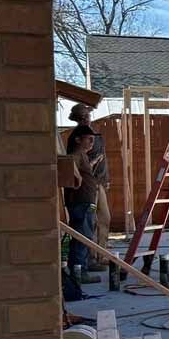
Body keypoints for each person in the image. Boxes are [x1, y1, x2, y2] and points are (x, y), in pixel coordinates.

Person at [69, 102, 110, 269]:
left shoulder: (92, 135)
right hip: (87, 188)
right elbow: (71, 160)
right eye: (83, 117)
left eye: (87, 116)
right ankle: (90, 259)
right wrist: (79, 176)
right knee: (89, 222)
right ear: (78, 119)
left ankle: (101, 255)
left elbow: (101, 160)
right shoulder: (77, 137)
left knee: (104, 218)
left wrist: (105, 179)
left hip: (97, 184)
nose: (86, 119)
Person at [65, 124, 102, 283]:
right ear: (78, 139)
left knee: (84, 236)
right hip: (81, 203)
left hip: (85, 202)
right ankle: (80, 273)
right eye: (89, 139)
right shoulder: (77, 154)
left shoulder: (84, 155)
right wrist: (78, 178)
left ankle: (79, 270)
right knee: (82, 238)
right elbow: (68, 162)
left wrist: (92, 164)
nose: (92, 143)